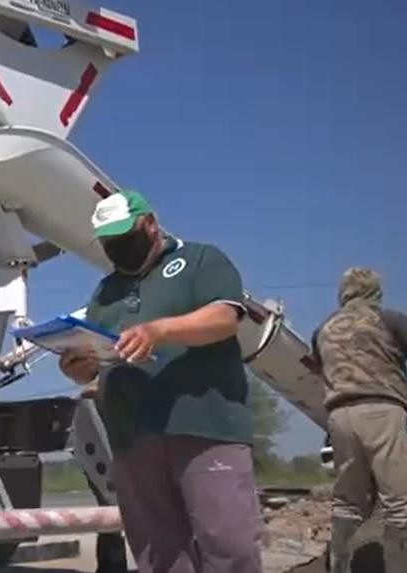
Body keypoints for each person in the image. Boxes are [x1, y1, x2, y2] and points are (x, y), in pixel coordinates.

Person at [59, 190, 262, 573]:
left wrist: (160, 330)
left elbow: (224, 318)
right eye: (109, 243)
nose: (118, 248)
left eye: (124, 236)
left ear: (150, 223)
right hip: (133, 438)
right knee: (159, 554)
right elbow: (99, 352)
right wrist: (79, 366)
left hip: (204, 428)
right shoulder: (107, 291)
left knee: (229, 546)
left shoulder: (201, 260)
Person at [312, 267, 407, 573]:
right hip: (382, 411)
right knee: (402, 505)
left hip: (339, 418)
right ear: (375, 292)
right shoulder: (388, 319)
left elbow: (318, 368)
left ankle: (338, 568)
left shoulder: (323, 330)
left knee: (348, 501)